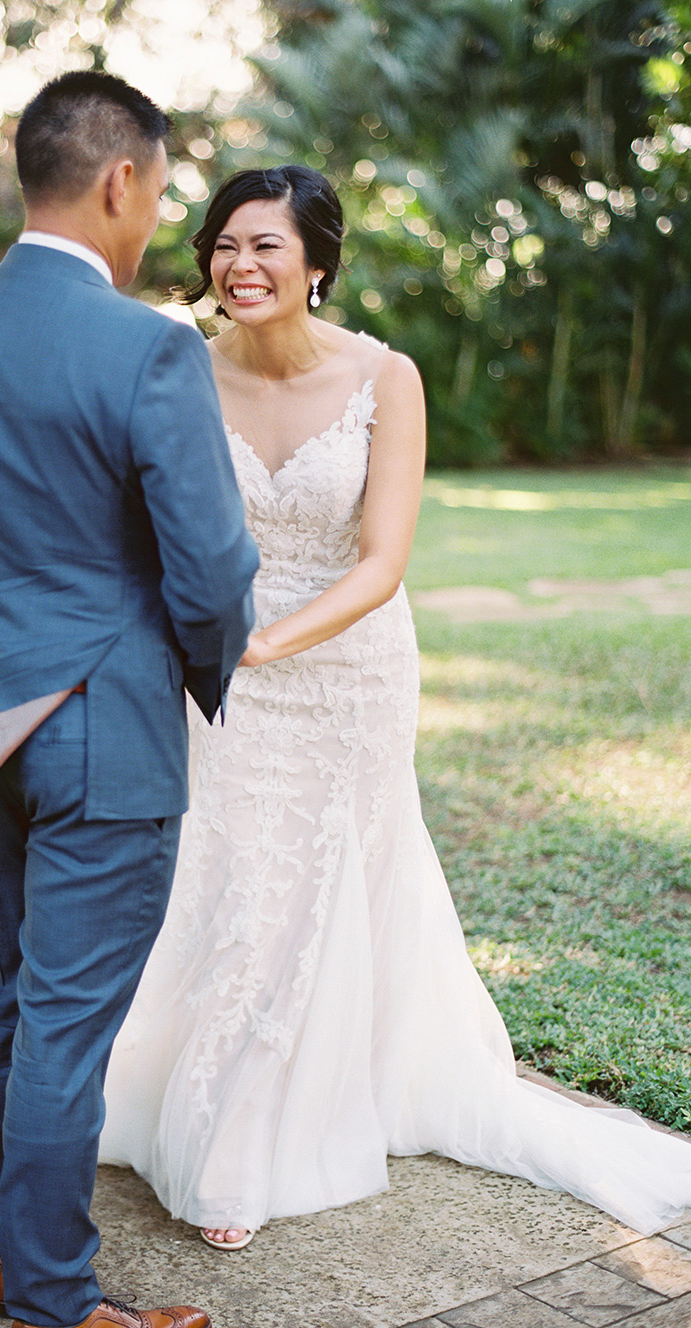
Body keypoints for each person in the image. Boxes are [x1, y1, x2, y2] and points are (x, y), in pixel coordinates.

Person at [100, 164, 691, 1250]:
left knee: (315, 875)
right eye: (224, 245)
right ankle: (187, 1096)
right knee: (232, 870)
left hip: (344, 667)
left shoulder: (387, 377)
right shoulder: (176, 367)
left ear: (317, 263)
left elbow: (381, 561)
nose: (240, 265)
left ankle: (251, 1145)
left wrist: (261, 645)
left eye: (266, 245)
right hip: (216, 666)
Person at [0, 73, 258, 1328]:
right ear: (120, 181)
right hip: (109, 721)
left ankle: (7, 1236)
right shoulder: (152, 345)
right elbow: (210, 573)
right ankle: (50, 1296)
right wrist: (189, 671)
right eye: (156, 188)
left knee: (11, 984)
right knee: (67, 1020)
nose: (154, 215)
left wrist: (6, 615)